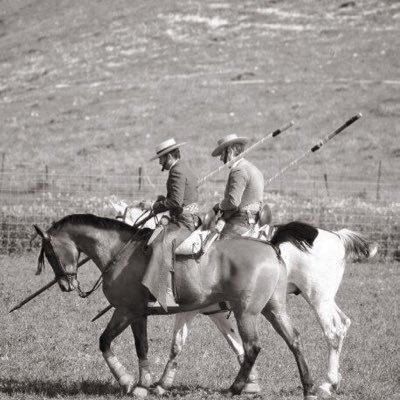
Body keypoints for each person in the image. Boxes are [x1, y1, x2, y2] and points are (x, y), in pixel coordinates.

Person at [139, 138, 199, 310]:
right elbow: (177, 198)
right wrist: (163, 200)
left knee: (160, 244)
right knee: (155, 235)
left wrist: (153, 206)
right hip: (184, 218)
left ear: (168, 156)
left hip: (183, 222)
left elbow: (176, 203)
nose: (160, 162)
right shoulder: (184, 167)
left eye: (161, 158)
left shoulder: (177, 171)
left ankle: (166, 294)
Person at [211, 134, 264, 239]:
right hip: (252, 218)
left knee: (218, 248)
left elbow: (233, 202)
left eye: (222, 154)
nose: (221, 159)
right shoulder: (252, 168)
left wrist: (218, 206)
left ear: (230, 150)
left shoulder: (238, 170)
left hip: (241, 220)